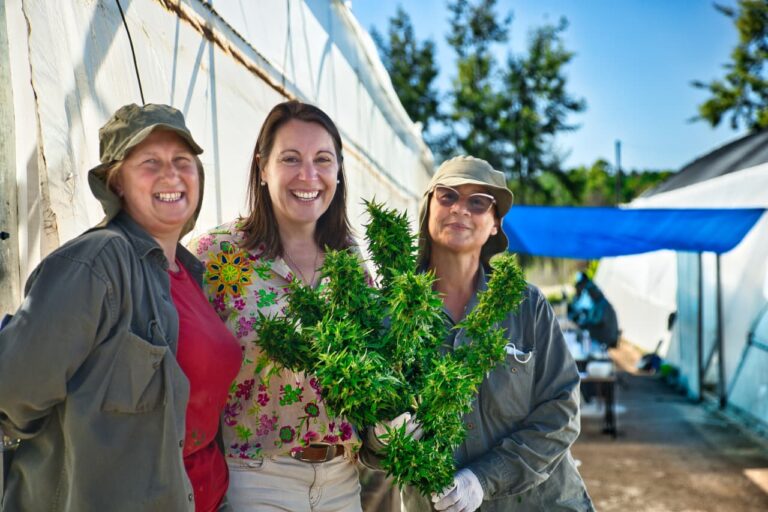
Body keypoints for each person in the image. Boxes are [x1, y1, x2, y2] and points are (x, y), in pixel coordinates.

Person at [0, 103, 241, 511]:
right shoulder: (97, 262)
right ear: (117, 183)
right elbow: (12, 390)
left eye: (182, 161)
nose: (171, 174)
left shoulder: (193, 272)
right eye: (150, 162)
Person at [189, 100, 362, 511]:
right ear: (262, 169)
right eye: (290, 159)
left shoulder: (349, 260)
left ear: (338, 171)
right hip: (256, 479)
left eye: (323, 159)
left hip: (342, 480)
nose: (309, 175)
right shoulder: (218, 255)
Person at [400, 156, 594, 511]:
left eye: (478, 203)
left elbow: (562, 410)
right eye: (448, 196)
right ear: (428, 208)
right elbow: (368, 438)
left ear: (494, 225)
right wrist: (380, 439)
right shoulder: (392, 313)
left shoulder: (527, 306)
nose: (460, 209)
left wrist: (484, 477)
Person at [569, 274, 620, 349]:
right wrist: (584, 312)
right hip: (607, 333)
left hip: (607, 336)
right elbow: (592, 315)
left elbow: (596, 321)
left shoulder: (602, 304)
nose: (590, 296)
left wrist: (584, 323)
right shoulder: (599, 303)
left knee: (584, 332)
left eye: (590, 294)